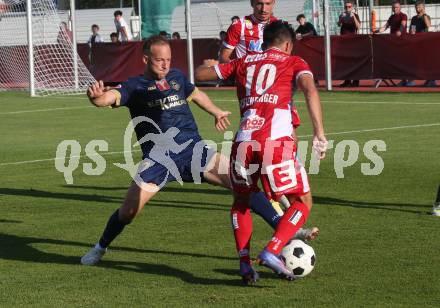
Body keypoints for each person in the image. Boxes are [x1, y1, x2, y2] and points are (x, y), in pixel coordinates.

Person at [81, 35, 318, 268]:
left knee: (243, 184)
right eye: (159, 60)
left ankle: (286, 230)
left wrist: (215, 111)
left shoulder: (176, 77)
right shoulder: (135, 86)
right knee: (128, 212)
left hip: (194, 150)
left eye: (168, 59)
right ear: (145, 60)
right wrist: (97, 98)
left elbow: (196, 95)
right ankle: (100, 247)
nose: (166, 64)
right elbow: (110, 97)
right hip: (159, 158)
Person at [195, 21, 327, 283]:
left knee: (241, 203)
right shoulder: (294, 61)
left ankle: (245, 264)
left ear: (265, 41)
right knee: (302, 202)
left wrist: (208, 65)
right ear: (288, 44)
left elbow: (200, 75)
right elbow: (310, 89)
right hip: (275, 142)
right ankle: (273, 250)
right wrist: (319, 133)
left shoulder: (244, 62)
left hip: (243, 142)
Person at [410, 1, 435, 87]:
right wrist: (412, 34)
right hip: (416, 43)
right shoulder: (413, 18)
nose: (417, 8)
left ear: (423, 7)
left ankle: (431, 80)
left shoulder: (426, 16)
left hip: (425, 43)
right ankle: (410, 80)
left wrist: (424, 14)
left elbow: (428, 25)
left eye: (419, 7)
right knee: (414, 62)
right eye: (416, 7)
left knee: (427, 62)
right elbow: (412, 30)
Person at [337, 1, 360, 87]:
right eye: (346, 7)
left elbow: (358, 27)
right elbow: (339, 24)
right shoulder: (342, 15)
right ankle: (347, 81)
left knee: (354, 61)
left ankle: (356, 81)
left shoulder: (355, 15)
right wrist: (340, 19)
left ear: (352, 7)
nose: (347, 8)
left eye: (349, 7)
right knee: (345, 62)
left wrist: (353, 17)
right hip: (344, 42)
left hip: (353, 42)